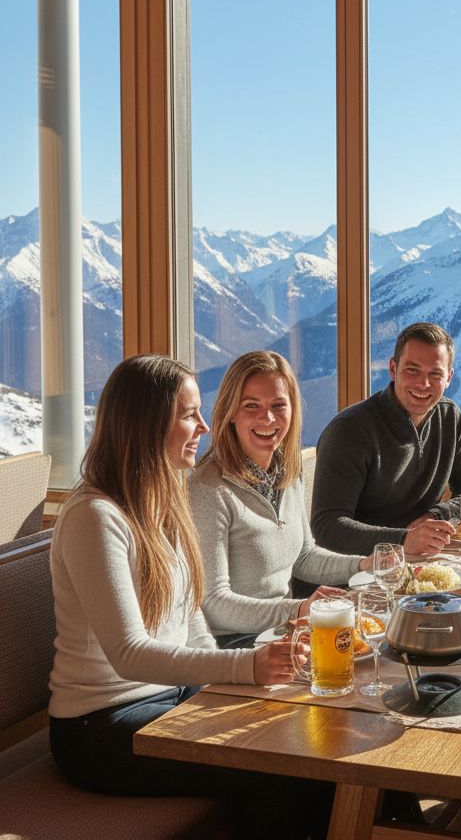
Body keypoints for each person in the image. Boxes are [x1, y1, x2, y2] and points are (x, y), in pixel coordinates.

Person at [47, 355, 333, 839]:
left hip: (169, 698)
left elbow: (193, 619)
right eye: (188, 414)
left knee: (311, 739)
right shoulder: (94, 517)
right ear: (148, 422)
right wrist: (247, 667)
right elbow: (129, 654)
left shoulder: (163, 500)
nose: (203, 425)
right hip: (101, 727)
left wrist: (244, 676)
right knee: (283, 776)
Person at [189, 351, 371, 648]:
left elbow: (304, 557)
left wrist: (365, 565)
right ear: (230, 412)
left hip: (283, 633)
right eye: (252, 406)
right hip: (233, 648)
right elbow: (214, 604)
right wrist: (298, 609)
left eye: (278, 405)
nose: (267, 418)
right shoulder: (208, 490)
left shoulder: (287, 472)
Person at [311, 322, 461, 557]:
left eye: (435, 374)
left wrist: (435, 516)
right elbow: (327, 527)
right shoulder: (349, 431)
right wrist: (403, 539)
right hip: (356, 573)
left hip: (418, 563)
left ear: (449, 377)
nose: (423, 384)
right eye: (412, 370)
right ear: (393, 369)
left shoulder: (449, 417)